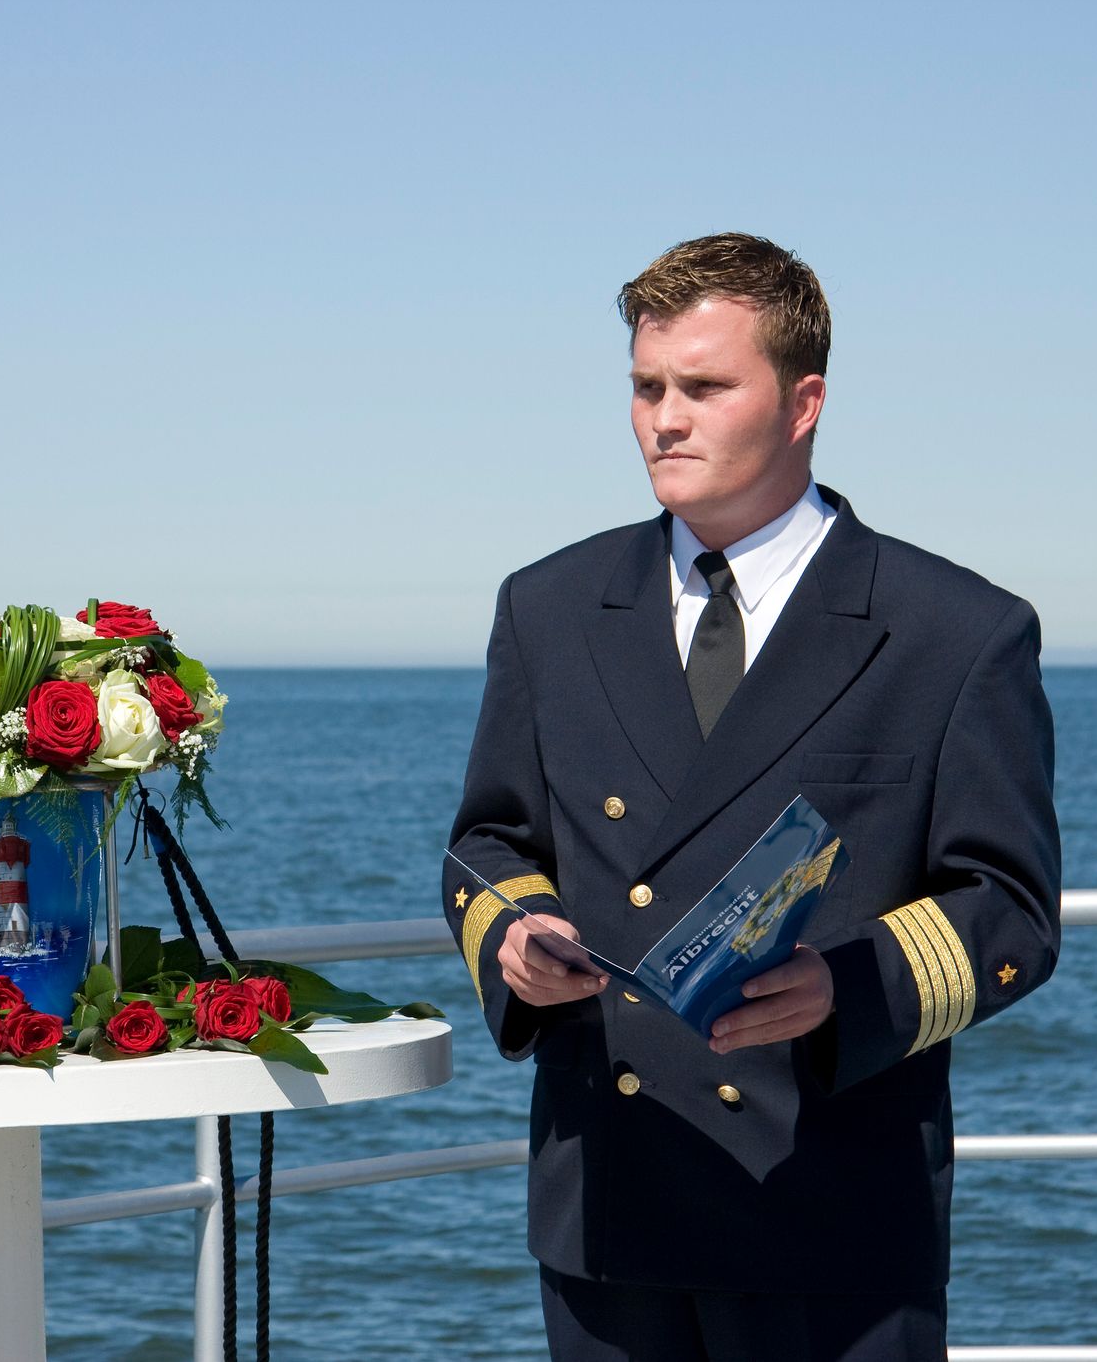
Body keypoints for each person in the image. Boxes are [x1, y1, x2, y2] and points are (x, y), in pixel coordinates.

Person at [442, 233, 1061, 1362]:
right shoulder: (548, 607)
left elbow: (1008, 907)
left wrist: (839, 988)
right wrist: (518, 940)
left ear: (802, 401)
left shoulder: (953, 632)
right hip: (609, 1212)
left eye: (703, 387)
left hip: (828, 1220)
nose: (661, 420)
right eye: (644, 388)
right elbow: (487, 840)